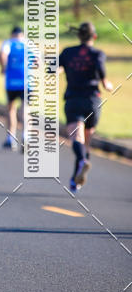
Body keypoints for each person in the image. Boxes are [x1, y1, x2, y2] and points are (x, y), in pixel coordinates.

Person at [59, 22, 112, 193]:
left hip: (74, 100)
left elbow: (55, 68)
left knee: (77, 138)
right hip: (93, 101)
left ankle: (81, 165)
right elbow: (101, 71)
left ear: (78, 36)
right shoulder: (98, 54)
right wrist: (106, 83)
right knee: (86, 142)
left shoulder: (68, 52)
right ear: (94, 36)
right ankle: (75, 180)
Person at [0, 26, 28, 151]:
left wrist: (3, 67)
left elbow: (3, 55)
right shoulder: (29, 44)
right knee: (25, 109)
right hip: (27, 82)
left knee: (11, 109)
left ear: (12, 34)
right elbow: (37, 60)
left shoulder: (8, 43)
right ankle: (26, 136)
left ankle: (10, 139)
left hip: (12, 82)